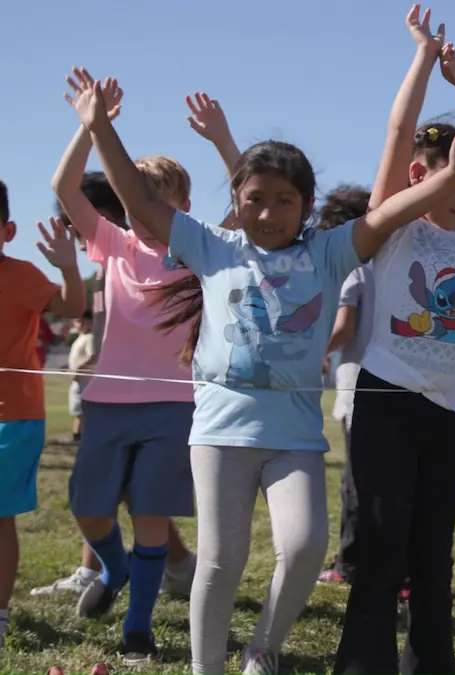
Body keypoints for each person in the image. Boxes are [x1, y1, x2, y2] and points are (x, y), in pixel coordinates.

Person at [72, 59, 455, 674]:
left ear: (306, 207)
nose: (269, 213)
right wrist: (98, 130)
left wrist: (451, 179)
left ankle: (263, 648)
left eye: (285, 201)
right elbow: (139, 203)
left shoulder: (329, 252)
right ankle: (206, 669)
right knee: (220, 562)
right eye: (255, 200)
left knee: (303, 549)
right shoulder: (211, 246)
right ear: (236, 201)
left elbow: (388, 216)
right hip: (219, 432)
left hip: (295, 435)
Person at [333, 9, 455, 673]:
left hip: (448, 409)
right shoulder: (391, 230)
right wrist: (423, 56)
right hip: (385, 399)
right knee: (381, 553)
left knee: (432, 555)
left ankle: (431, 662)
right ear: (419, 176)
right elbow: (399, 132)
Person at [54, 70, 204, 664]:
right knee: (87, 507)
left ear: (183, 207)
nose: (143, 210)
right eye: (134, 199)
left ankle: (137, 627)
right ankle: (113, 571)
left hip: (173, 407)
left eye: (158, 199)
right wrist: (91, 128)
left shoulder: (198, 251)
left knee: (149, 515)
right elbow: (65, 188)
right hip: (107, 404)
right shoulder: (114, 244)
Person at [33, 171, 196, 603]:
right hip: (110, 392)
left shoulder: (142, 255)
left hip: (153, 396)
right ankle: (171, 565)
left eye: (76, 221)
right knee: (113, 488)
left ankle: (112, 570)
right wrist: (98, 359)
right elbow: (110, 325)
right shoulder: (113, 261)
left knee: (132, 490)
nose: (73, 231)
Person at [0, 181, 86, 656]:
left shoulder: (23, 276)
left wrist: (70, 266)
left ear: (7, 230)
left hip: (11, 420)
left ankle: (0, 614)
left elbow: (73, 306)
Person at [312, 184, 374, 587]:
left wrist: (311, 349)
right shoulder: (384, 262)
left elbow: (344, 325)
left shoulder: (351, 267)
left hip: (358, 394)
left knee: (357, 487)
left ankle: (348, 565)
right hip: (387, 390)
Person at [66, 311, 96, 442]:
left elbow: (92, 357)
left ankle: (78, 434)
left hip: (84, 379)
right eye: (77, 321)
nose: (79, 324)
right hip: (77, 379)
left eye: (82, 321)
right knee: (76, 407)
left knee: (80, 408)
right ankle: (78, 432)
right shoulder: (79, 338)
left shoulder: (90, 338)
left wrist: (78, 370)